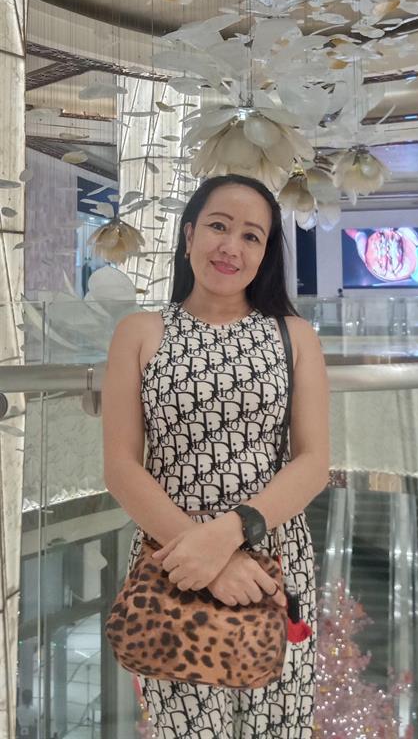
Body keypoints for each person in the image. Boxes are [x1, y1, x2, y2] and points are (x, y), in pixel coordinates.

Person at [103, 173, 329, 738]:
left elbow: (312, 462)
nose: (231, 246)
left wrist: (227, 538)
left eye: (251, 236)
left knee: (279, 726)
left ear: (265, 254)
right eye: (218, 227)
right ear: (189, 236)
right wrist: (204, 557)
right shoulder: (140, 332)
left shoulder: (294, 336)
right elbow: (121, 466)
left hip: (275, 560)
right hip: (172, 561)